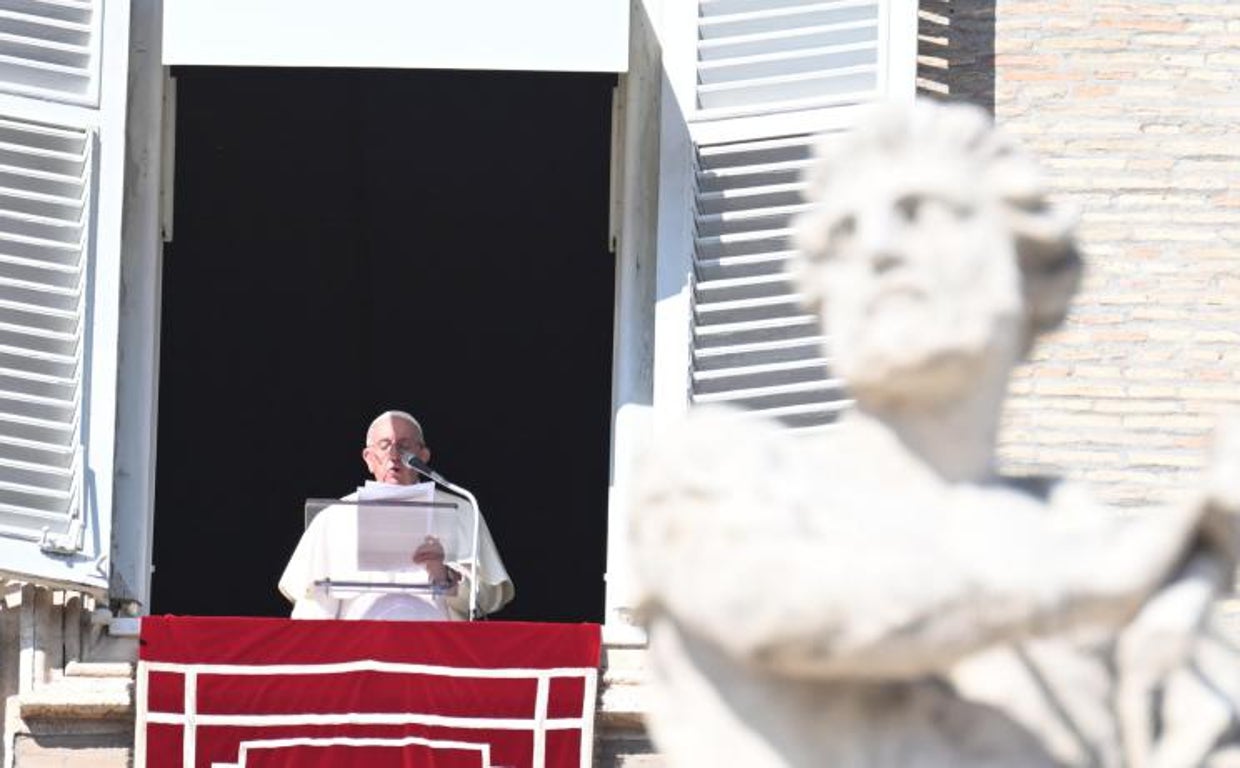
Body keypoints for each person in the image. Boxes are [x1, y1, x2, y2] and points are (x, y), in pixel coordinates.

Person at [631, 100, 1240, 767]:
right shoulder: (727, 476)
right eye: (842, 238)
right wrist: (1098, 582)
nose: (880, 249)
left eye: (925, 213)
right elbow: (777, 608)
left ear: (1030, 275)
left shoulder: (1108, 560)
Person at [279, 410, 514, 621]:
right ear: (369, 459)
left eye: (404, 446)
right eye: (384, 445)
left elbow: (487, 600)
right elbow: (312, 604)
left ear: (423, 455)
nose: (393, 455)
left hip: (439, 651)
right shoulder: (333, 518)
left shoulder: (461, 510)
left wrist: (446, 577)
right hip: (360, 653)